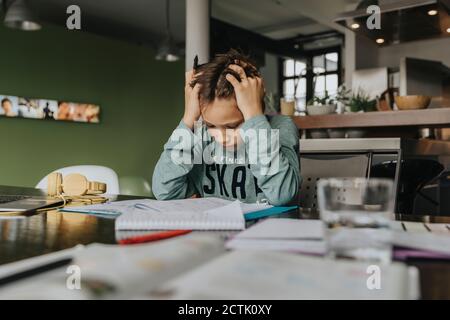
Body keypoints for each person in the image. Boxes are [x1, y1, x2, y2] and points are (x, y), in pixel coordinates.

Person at [152, 49, 301, 205]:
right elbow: (164, 190)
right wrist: (188, 119)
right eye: (211, 125)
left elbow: (283, 194)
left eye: (233, 126)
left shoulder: (281, 127)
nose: (222, 137)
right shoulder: (199, 133)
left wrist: (254, 117)